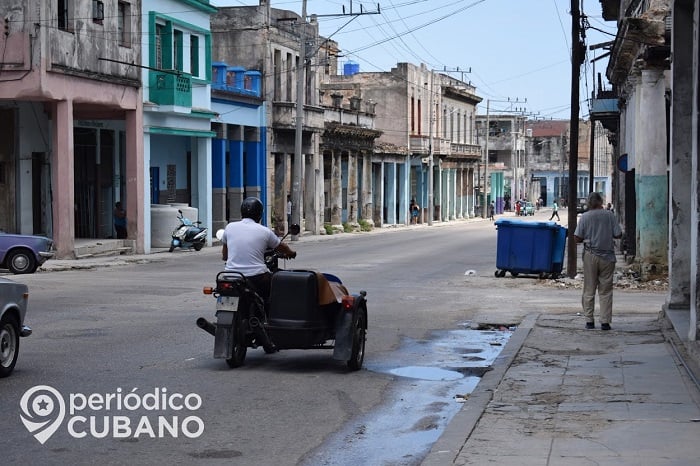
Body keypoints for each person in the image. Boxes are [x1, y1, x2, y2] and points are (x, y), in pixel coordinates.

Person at [221, 197, 296, 301]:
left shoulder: (229, 227)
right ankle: (269, 312)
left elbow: (225, 256)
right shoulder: (265, 231)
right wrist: (291, 253)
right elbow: (282, 246)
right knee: (277, 285)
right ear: (259, 214)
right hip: (256, 277)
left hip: (230, 275)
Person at [574, 192, 623, 330]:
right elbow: (618, 234)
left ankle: (589, 320)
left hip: (590, 255)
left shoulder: (585, 217)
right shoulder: (609, 215)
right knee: (606, 289)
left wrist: (589, 237)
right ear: (601, 202)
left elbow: (577, 238)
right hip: (607, 256)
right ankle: (605, 322)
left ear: (589, 203)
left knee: (589, 288)